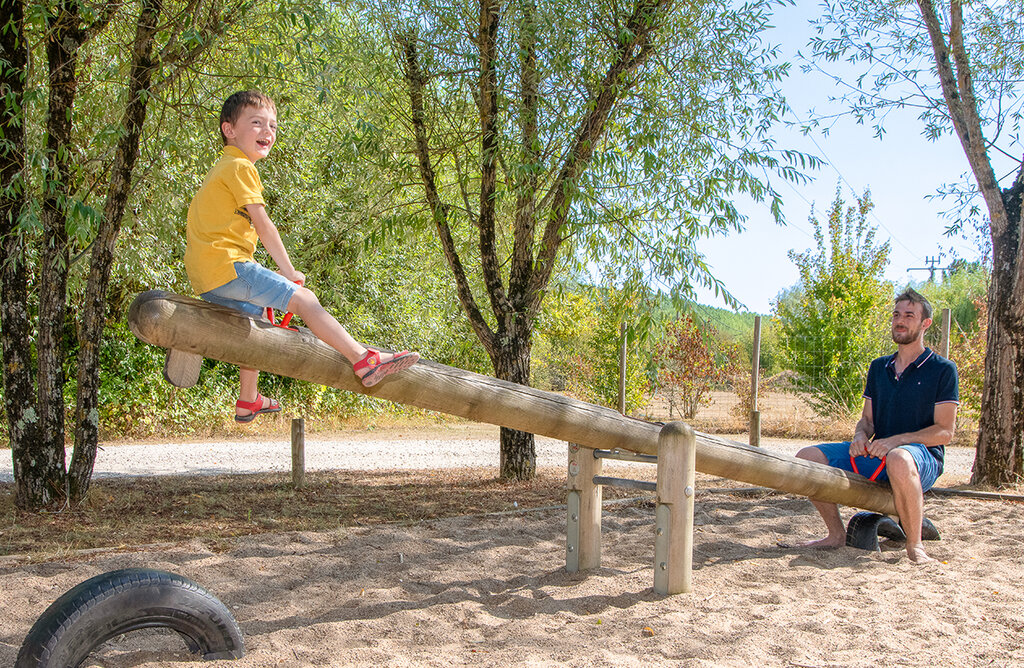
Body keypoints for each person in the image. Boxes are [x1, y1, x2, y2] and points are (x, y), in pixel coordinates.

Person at [184, 90, 419, 422]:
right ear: (229, 130)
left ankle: (247, 399)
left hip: (207, 277)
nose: (267, 131)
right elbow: (264, 225)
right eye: (256, 123)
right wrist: (289, 272)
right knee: (305, 300)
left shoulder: (223, 168)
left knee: (260, 320)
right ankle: (363, 358)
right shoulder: (239, 166)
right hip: (228, 266)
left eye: (273, 126)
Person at [794, 288, 958, 563]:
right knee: (806, 458)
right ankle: (836, 534)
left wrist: (897, 441)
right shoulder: (879, 367)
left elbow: (945, 432)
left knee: (899, 457)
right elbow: (868, 420)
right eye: (896, 315)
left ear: (925, 323)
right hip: (879, 453)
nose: (899, 321)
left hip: (922, 458)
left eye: (908, 315)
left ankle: (914, 545)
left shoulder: (942, 369)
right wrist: (860, 435)